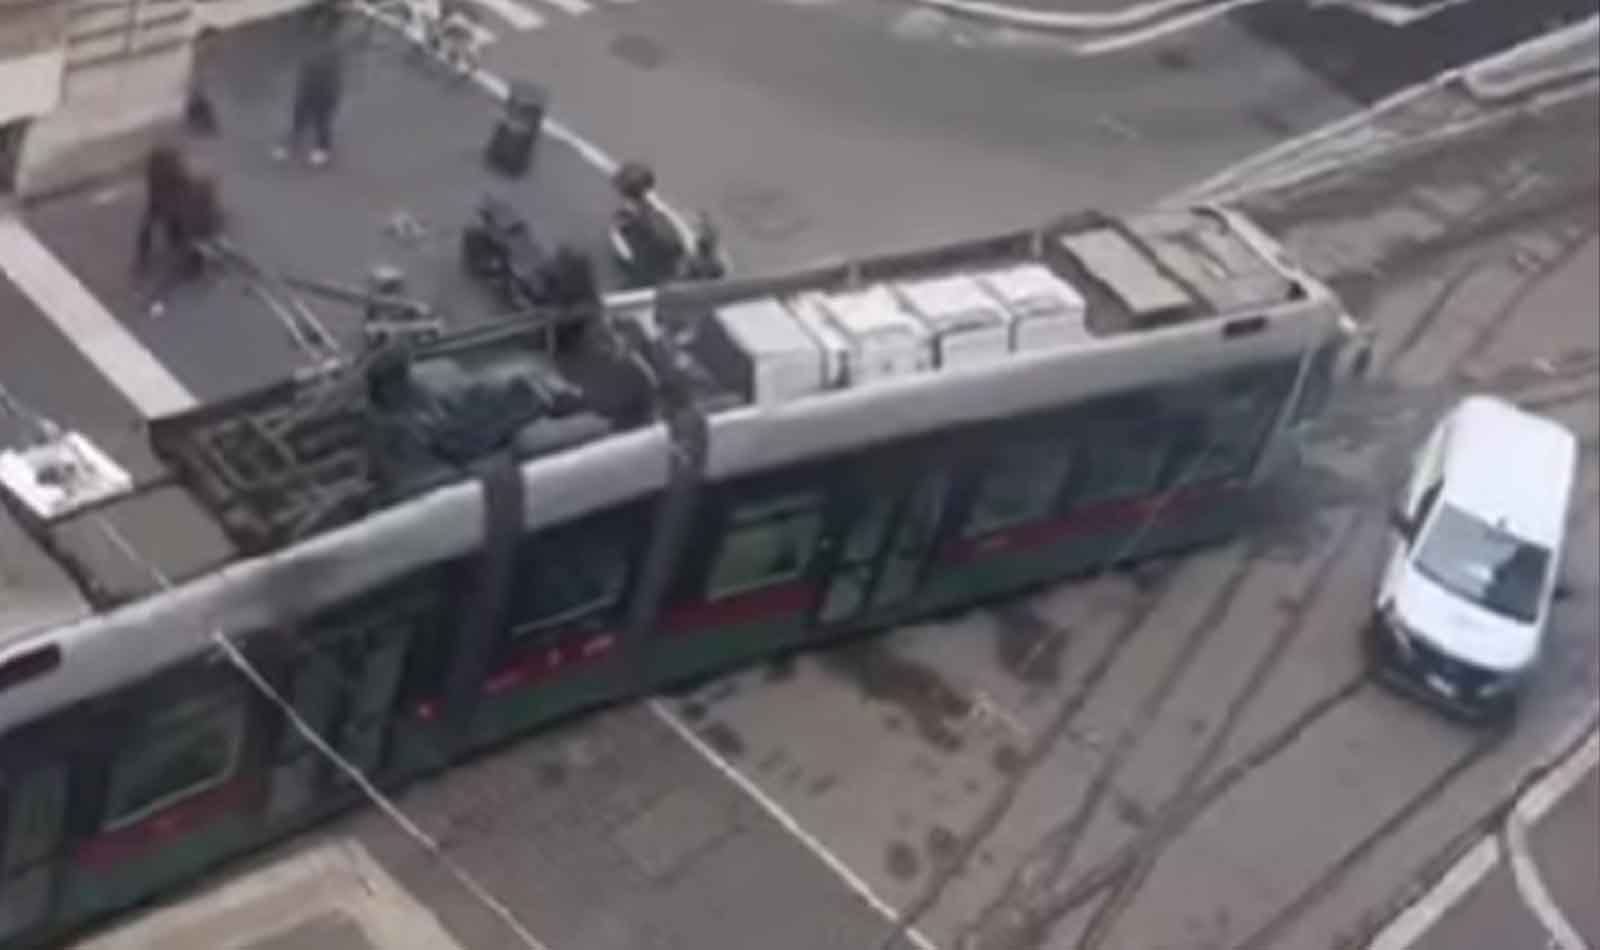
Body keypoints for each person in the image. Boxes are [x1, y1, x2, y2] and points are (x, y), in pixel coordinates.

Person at [275, 38, 345, 166]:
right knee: (300, 118)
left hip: (323, 97)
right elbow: (302, 80)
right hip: (308, 93)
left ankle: (323, 148)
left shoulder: (328, 72)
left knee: (321, 122)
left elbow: (332, 90)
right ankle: (294, 140)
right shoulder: (310, 64)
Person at [133, 145, 189, 273]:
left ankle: (178, 248)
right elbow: (155, 193)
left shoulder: (171, 173)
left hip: (166, 202)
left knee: (171, 225)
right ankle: (144, 257)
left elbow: (180, 190)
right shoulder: (161, 173)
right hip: (161, 202)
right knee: (153, 226)